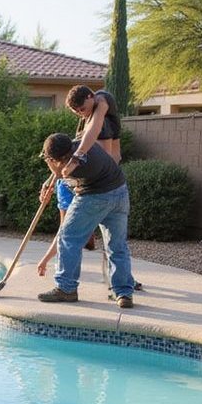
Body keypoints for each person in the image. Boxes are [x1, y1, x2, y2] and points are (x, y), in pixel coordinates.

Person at [35, 132, 136, 308]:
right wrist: (47, 183)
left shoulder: (76, 169)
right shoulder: (81, 146)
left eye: (49, 160)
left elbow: (60, 172)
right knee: (117, 245)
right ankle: (123, 293)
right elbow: (60, 170)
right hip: (120, 192)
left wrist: (52, 168)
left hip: (95, 197)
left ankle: (66, 288)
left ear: (55, 160)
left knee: (68, 238)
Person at [40, 84, 125, 269]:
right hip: (88, 182)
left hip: (100, 183)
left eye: (82, 109)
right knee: (72, 231)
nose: (81, 113)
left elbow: (96, 135)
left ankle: (62, 274)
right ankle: (53, 263)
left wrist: (77, 157)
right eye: (77, 111)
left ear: (90, 97)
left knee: (73, 234)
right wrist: (50, 181)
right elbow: (64, 158)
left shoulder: (101, 105)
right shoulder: (88, 117)